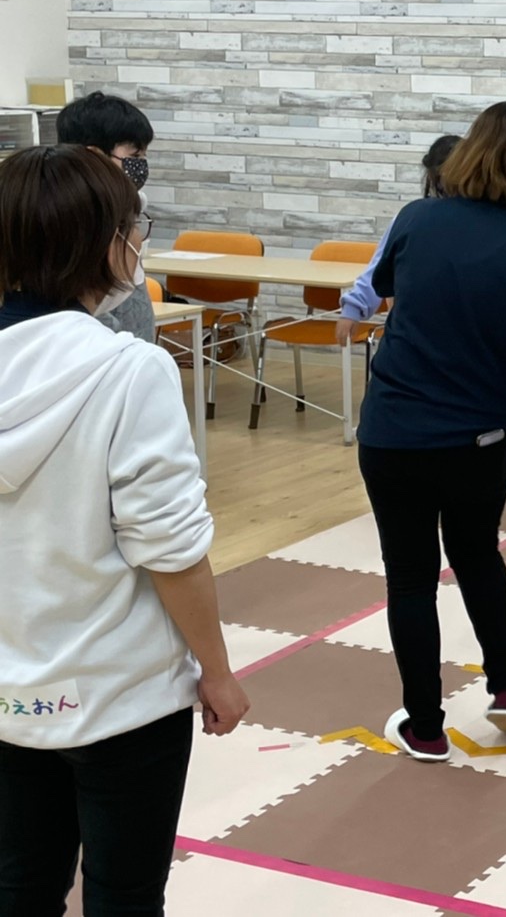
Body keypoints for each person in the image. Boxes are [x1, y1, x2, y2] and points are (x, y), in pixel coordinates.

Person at [0, 146, 250, 916]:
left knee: (19, 890)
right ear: (104, 243)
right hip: (123, 697)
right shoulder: (129, 370)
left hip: (9, 692)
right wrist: (217, 670)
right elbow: (171, 550)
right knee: (125, 896)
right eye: (133, 228)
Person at [356, 101, 506, 763]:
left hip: (393, 433)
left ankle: (426, 728)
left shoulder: (417, 219)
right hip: (480, 443)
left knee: (410, 578)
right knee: (477, 554)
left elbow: (383, 289)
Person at [336, 134, 461, 347]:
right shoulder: (411, 218)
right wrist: (354, 307)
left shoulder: (483, 223)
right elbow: (380, 266)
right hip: (413, 334)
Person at [56, 91, 158, 344]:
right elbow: (87, 309)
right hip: (106, 346)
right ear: (95, 156)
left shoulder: (126, 203)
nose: (141, 166)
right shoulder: (74, 216)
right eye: (134, 157)